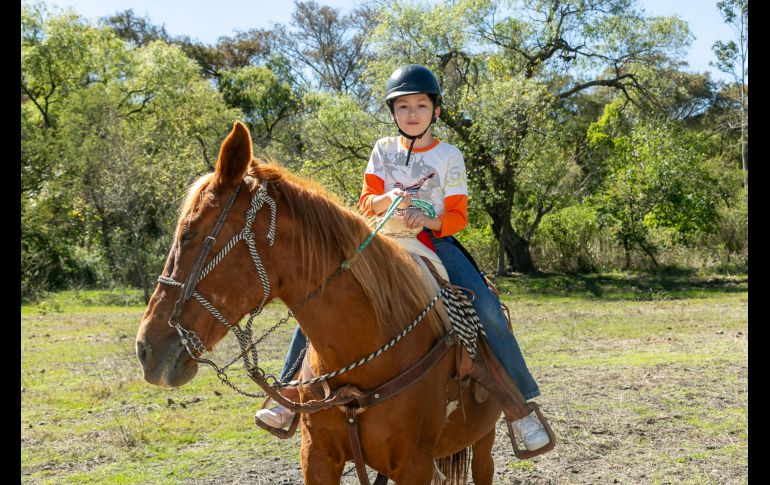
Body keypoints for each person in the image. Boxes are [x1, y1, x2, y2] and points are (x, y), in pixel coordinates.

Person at [256, 64, 549, 451]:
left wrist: (429, 216)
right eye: (404, 107)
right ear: (393, 113)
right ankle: (291, 394)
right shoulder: (382, 149)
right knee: (321, 294)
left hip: (432, 241)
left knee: (488, 306)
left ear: (436, 110)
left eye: (421, 106)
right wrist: (386, 200)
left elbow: (457, 216)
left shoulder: (449, 156)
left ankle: (520, 406)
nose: (412, 114)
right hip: (380, 240)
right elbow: (365, 201)